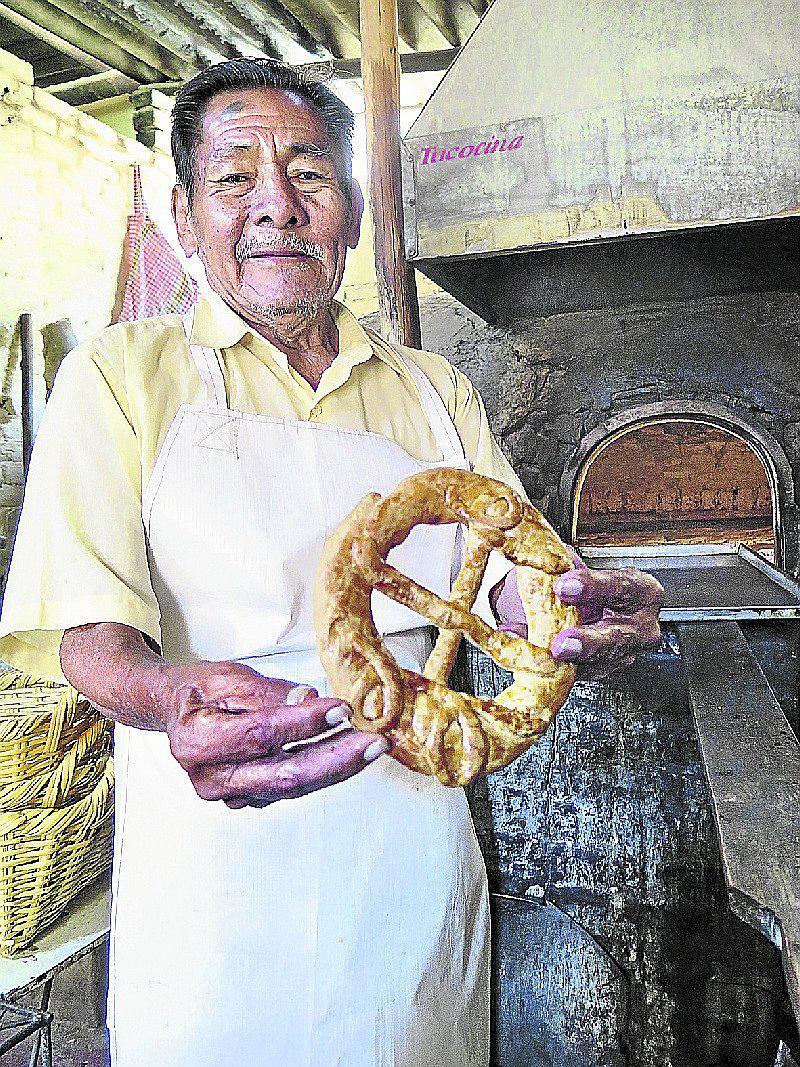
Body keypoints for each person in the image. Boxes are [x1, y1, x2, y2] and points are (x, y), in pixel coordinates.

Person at [0, 59, 663, 1067]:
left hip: (412, 846)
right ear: (184, 217)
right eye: (234, 178)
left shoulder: (434, 387)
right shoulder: (122, 376)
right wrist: (167, 695)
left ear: (350, 210)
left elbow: (512, 583)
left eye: (308, 172)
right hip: (213, 863)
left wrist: (578, 615)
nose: (276, 204)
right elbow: (92, 633)